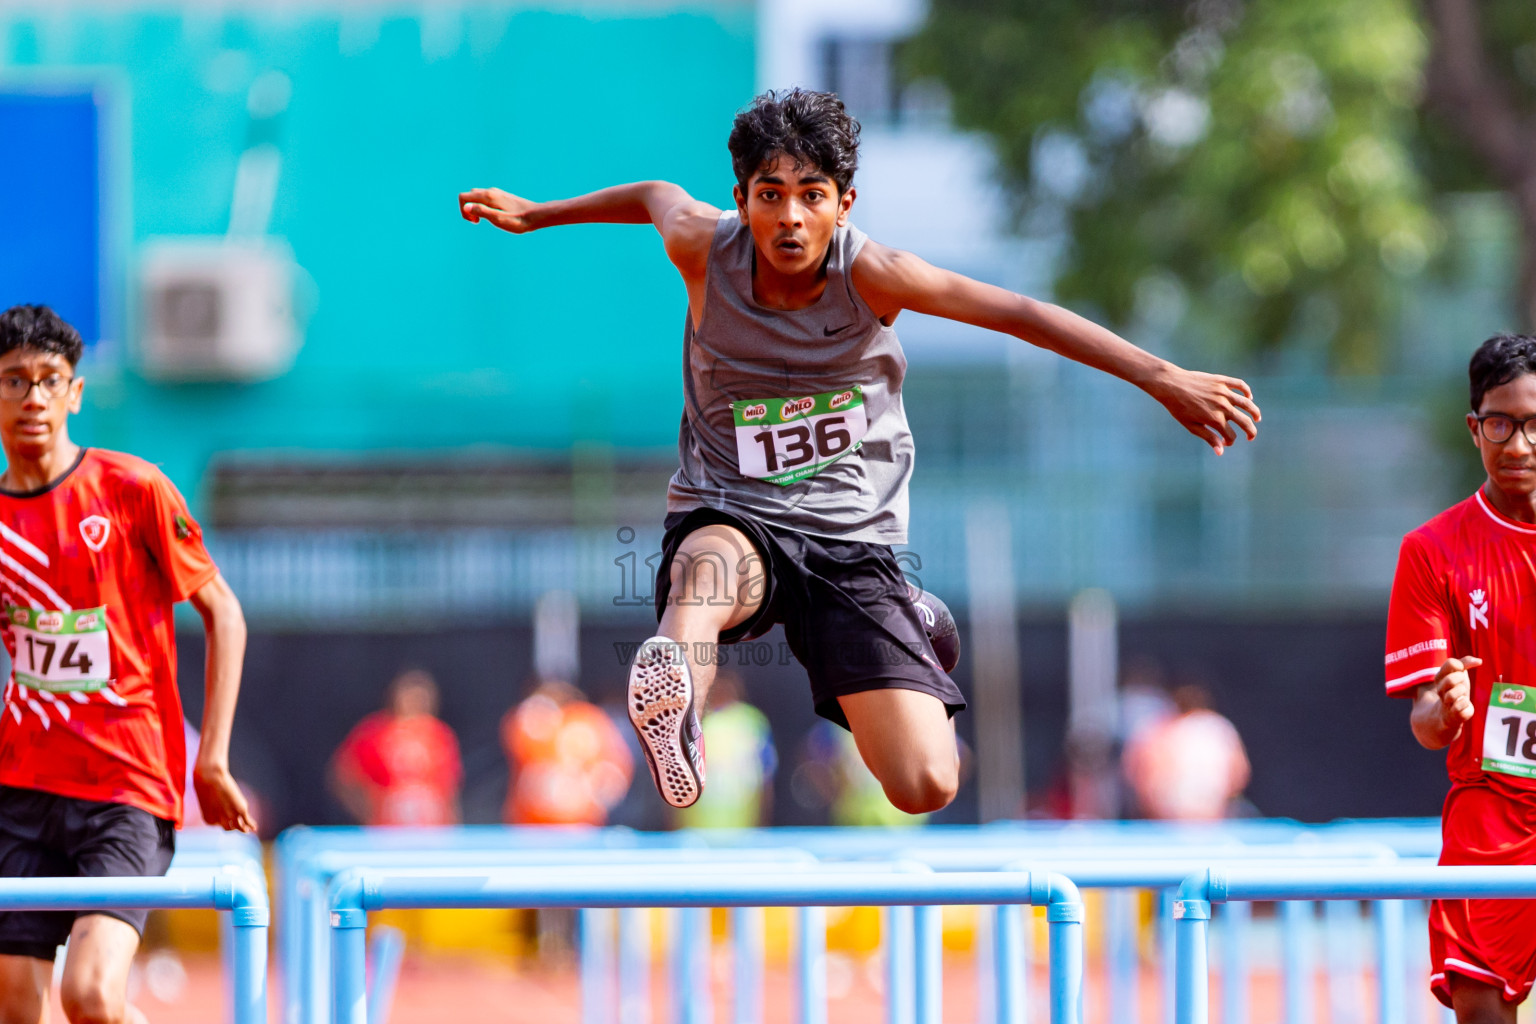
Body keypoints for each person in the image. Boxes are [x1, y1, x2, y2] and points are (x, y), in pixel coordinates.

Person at [460, 89, 1260, 811]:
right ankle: (678, 704)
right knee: (703, 577)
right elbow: (653, 196)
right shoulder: (704, 246)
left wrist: (1164, 377)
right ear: (741, 200)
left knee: (925, 784)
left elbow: (1022, 314)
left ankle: (900, 622)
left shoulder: (876, 273)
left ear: (844, 204)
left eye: (811, 198)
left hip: (851, 541)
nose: (790, 220)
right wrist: (538, 214)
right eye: (769, 198)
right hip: (733, 509)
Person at [0, 304, 254, 1024]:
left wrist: (213, 761)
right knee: (16, 1009)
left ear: (75, 393)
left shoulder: (132, 489)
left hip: (126, 785)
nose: (34, 399)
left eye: (50, 381)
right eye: (15, 382)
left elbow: (224, 612)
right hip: (21, 786)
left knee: (88, 996)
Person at [1386, 333, 1536, 1021]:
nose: (1518, 445)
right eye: (1501, 424)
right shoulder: (1432, 552)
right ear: (1475, 428)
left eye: (1533, 424)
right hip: (1492, 810)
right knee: (1479, 1006)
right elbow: (1422, 723)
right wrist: (1444, 710)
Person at [330, 668, 462, 827]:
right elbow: (342, 777)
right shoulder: (375, 733)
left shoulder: (440, 735)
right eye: (410, 695)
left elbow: (450, 789)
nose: (416, 701)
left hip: (431, 831)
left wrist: (453, 826)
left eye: (421, 696)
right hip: (387, 830)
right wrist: (365, 813)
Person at [501, 678, 632, 826]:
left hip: (583, 827)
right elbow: (529, 779)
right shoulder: (528, 722)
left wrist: (587, 790)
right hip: (530, 827)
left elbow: (615, 776)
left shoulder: (591, 722)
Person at [1121, 682, 1249, 821]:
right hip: (1206, 812)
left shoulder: (1166, 732)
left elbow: (1144, 772)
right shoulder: (1222, 728)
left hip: (1174, 813)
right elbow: (1239, 773)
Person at [675, 672, 775, 829]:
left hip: (744, 832)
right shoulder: (688, 722)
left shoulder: (752, 721)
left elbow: (766, 780)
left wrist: (762, 826)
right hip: (695, 835)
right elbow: (674, 781)